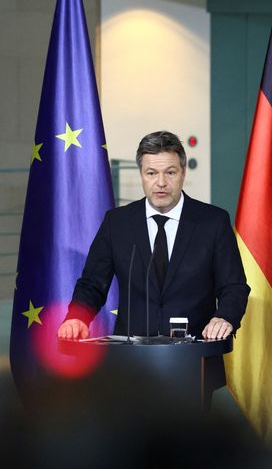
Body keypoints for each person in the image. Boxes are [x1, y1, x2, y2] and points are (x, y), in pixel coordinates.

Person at [57, 131, 250, 397]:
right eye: (151, 173)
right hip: (130, 364)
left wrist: (224, 317)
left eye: (170, 172)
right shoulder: (117, 223)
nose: (161, 183)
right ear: (141, 175)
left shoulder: (213, 222)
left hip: (193, 365)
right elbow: (92, 284)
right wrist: (77, 317)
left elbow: (234, 286)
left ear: (183, 172)